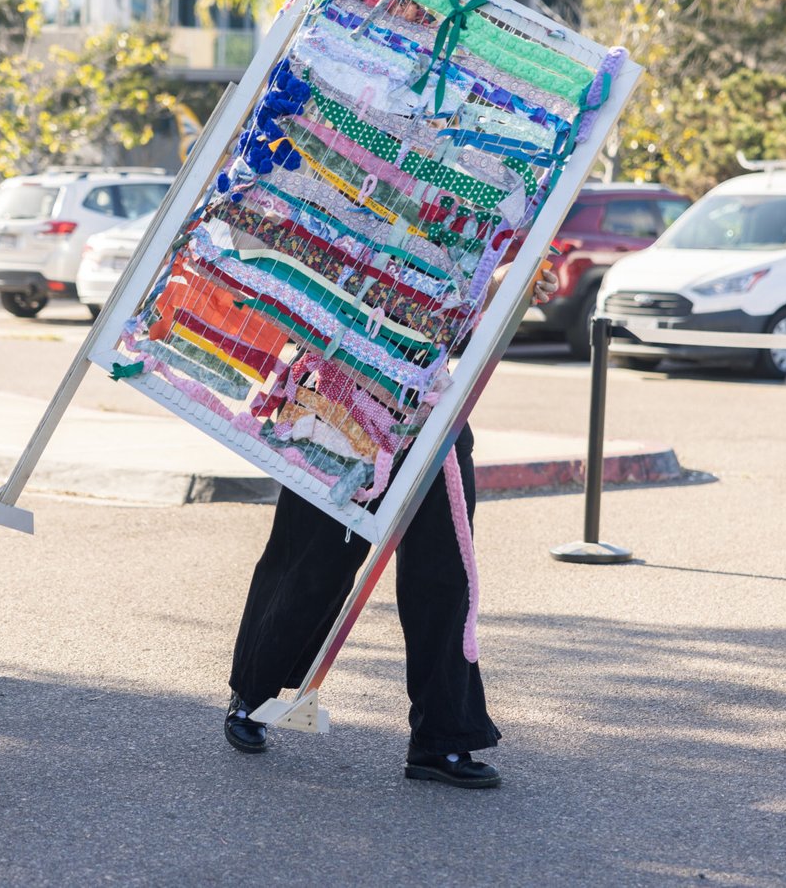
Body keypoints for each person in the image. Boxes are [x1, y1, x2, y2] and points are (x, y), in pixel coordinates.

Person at [224, 256, 560, 789]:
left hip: (430, 418)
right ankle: (253, 695)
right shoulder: (359, 180)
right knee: (310, 563)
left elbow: (469, 304)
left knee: (444, 577)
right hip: (336, 405)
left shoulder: (485, 202)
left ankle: (442, 740)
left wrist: (510, 283)